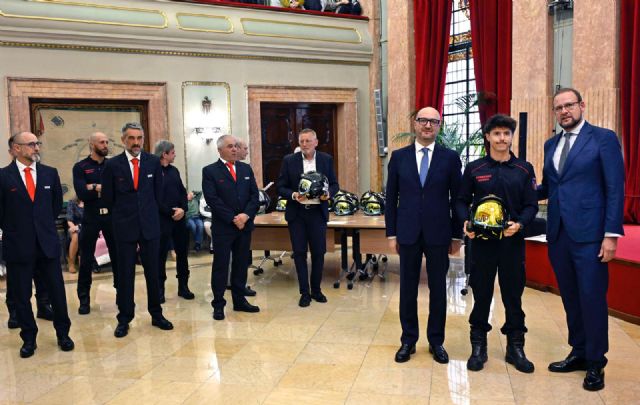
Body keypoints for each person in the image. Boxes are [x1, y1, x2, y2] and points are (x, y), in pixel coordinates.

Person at [538, 88, 625, 391]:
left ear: (582, 106)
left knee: (592, 298)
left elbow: (614, 188)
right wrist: (513, 189)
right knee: (571, 297)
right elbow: (549, 187)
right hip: (558, 234)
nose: (564, 111)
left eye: (569, 105)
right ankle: (578, 351)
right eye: (558, 108)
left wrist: (611, 235)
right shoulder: (550, 145)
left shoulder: (603, 138)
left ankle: (596, 361)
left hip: (590, 235)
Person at [456, 114, 538, 373]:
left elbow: (531, 205)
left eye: (506, 133)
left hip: (512, 244)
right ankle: (478, 346)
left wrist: (520, 224)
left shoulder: (524, 169)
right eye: (497, 133)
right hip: (482, 244)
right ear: (488, 137)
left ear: (511, 137)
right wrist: (466, 222)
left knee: (513, 295)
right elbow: (460, 200)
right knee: (481, 294)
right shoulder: (475, 169)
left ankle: (516, 347)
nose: (502, 138)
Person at [385, 106, 462, 364]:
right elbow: (391, 198)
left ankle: (436, 341)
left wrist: (456, 236)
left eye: (433, 121)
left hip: (439, 233)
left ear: (439, 126)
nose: (428, 125)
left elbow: (457, 200)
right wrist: (391, 233)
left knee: (438, 289)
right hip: (407, 233)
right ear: (415, 124)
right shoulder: (399, 157)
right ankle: (408, 340)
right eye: (423, 120)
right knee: (407, 289)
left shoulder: (450, 158)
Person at [0, 131, 74, 358]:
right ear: (16, 148)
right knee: (22, 296)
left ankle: (63, 334)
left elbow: (54, 207)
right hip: (18, 246)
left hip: (47, 245)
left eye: (37, 143)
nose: (37, 148)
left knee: (57, 293)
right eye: (31, 144)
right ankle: (29, 338)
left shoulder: (50, 174)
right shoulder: (3, 176)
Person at [101, 122, 173, 338]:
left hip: (150, 227)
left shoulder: (153, 162)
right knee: (125, 275)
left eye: (139, 138)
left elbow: (158, 195)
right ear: (123, 140)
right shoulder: (112, 165)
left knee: (154, 273)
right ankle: (124, 318)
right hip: (124, 228)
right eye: (131, 138)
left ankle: (156, 314)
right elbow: (108, 198)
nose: (136, 142)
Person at [276, 128, 339, 307]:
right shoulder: (289, 160)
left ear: (316, 142)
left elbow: (334, 184)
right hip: (297, 214)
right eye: (301, 141)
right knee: (299, 253)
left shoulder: (326, 159)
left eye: (308, 141)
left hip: (318, 213)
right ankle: (304, 293)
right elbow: (280, 186)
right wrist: (294, 195)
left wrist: (329, 194)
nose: (304, 144)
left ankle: (316, 290)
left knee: (319, 253)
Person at [202, 135, 260, 320]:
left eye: (235, 146)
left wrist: (245, 216)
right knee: (221, 266)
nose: (234, 149)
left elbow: (254, 196)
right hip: (224, 227)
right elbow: (212, 199)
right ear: (220, 150)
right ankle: (218, 305)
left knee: (241, 265)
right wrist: (233, 218)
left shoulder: (245, 168)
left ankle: (239, 300)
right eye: (230, 146)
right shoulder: (210, 171)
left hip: (244, 226)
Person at [72, 131, 119, 315]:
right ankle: (84, 300)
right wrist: (99, 189)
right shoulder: (80, 167)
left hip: (111, 218)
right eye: (101, 142)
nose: (105, 145)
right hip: (91, 218)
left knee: (118, 258)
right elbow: (82, 193)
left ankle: (122, 295)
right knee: (85, 260)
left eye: (107, 142)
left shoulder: (113, 165)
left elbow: (118, 191)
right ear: (92, 144)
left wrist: (93, 186)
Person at [155, 140, 194, 301]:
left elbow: (182, 192)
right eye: (172, 152)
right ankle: (159, 290)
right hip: (162, 220)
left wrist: (183, 209)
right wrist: (171, 212)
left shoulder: (174, 171)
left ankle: (183, 287)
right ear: (164, 154)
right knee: (160, 255)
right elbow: (154, 198)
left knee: (182, 253)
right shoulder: (153, 171)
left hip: (179, 219)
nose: (175, 155)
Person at [65, 196, 83, 274]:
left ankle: (83, 262)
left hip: (87, 227)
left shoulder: (91, 202)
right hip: (74, 227)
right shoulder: (72, 202)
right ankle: (71, 263)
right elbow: (69, 220)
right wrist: (73, 227)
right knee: (75, 235)